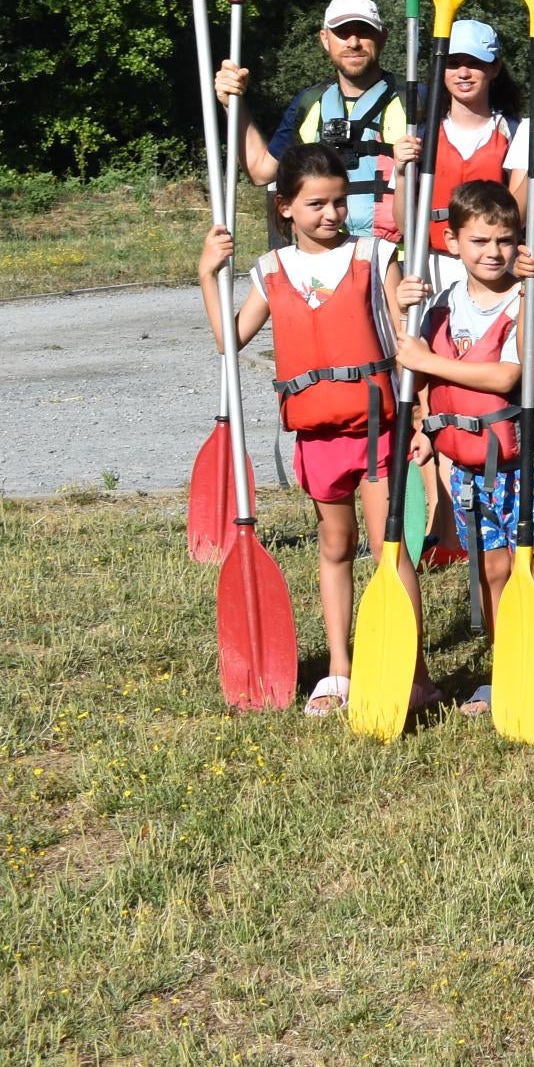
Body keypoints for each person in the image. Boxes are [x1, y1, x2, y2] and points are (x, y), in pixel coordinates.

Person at [197, 142, 423, 719]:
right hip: (317, 434)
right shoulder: (272, 271)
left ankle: (411, 669)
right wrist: (207, 273)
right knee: (335, 546)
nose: (331, 215)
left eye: (339, 203)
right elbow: (231, 339)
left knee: (389, 547)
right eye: (317, 204)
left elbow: (404, 336)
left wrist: (406, 304)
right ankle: (340, 670)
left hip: (376, 427)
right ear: (285, 208)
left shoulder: (375, 254)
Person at [393, 177, 534, 714]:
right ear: (452, 242)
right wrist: (424, 427)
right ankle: (501, 667)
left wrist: (426, 362)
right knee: (490, 569)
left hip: (525, 459)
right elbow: (418, 376)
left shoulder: (528, 300)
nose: (494, 252)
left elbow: (508, 376)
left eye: (505, 240)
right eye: (480, 241)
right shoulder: (441, 303)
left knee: (527, 567)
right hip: (468, 463)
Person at [212, 0, 420, 243]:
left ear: (383, 37)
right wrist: (232, 104)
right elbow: (260, 170)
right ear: (325, 39)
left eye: (364, 31)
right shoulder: (308, 103)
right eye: (342, 32)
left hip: (398, 260)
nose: (353, 42)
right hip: (329, 261)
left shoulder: (417, 100)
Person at [418, 19, 528, 292]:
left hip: (493, 268)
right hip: (433, 266)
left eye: (475, 63)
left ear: (494, 69)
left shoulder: (515, 132)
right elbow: (404, 222)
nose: (463, 72)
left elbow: (518, 216)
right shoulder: (423, 136)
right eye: (453, 63)